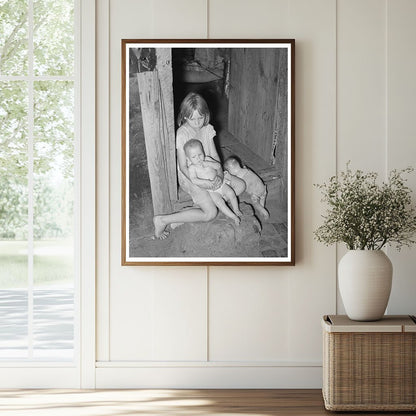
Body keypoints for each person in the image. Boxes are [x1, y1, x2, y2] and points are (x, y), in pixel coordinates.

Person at [153, 92, 244, 239]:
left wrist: (220, 175)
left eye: (200, 118)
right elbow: (183, 167)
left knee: (240, 186)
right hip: (191, 176)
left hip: (210, 170)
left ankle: (192, 211)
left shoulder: (208, 129)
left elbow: (214, 156)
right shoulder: (182, 133)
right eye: (192, 119)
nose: (196, 123)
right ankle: (162, 220)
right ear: (184, 117)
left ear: (206, 115)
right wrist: (203, 184)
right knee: (211, 213)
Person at [184, 139, 242, 225]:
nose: (198, 158)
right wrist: (205, 182)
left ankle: (236, 209)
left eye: (200, 154)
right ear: (188, 159)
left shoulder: (207, 159)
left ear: (203, 152)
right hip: (211, 190)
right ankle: (233, 216)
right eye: (194, 157)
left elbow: (218, 166)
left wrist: (209, 164)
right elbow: (193, 180)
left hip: (221, 184)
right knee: (220, 203)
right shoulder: (192, 168)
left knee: (231, 193)